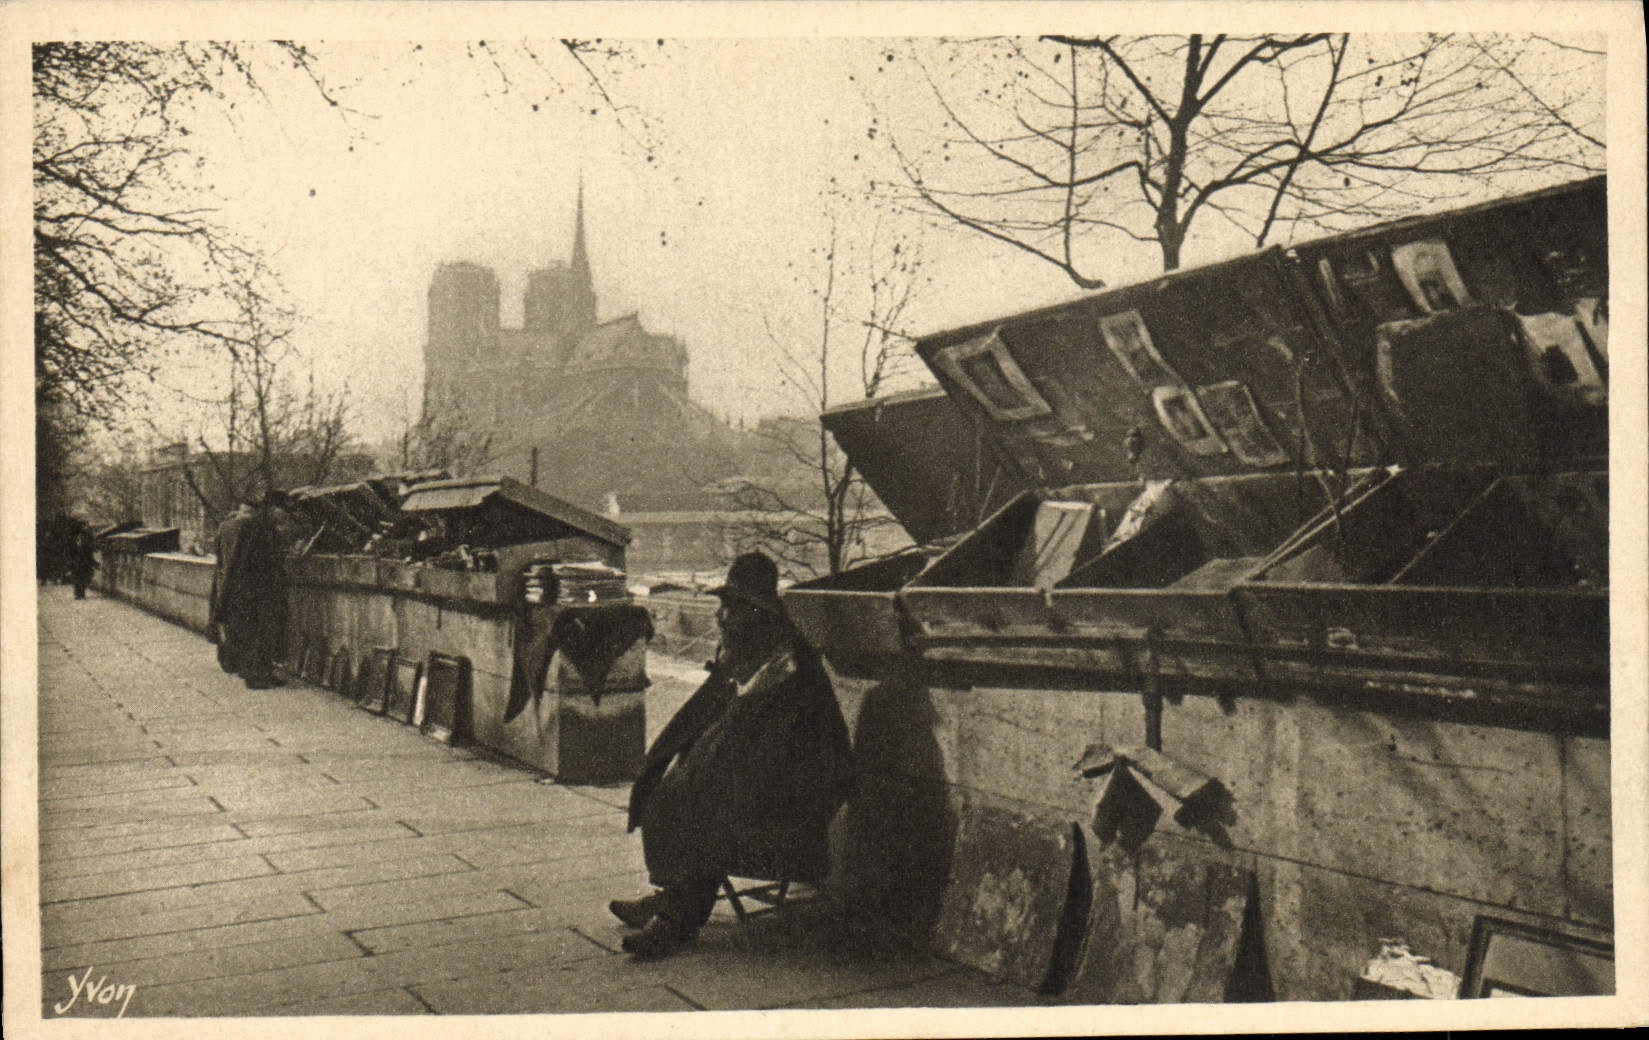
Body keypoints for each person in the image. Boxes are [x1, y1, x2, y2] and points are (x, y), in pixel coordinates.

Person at [609, 552, 854, 959]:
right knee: (677, 794)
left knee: (699, 805)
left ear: (756, 613)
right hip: (761, 782)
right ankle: (672, 896)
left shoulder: (786, 664)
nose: (720, 618)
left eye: (730, 608)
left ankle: (678, 920)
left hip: (795, 798)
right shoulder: (750, 654)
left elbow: (777, 753)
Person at [210, 490, 288, 690]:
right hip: (254, 590)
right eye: (282, 511)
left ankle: (262, 673)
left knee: (259, 632)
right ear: (272, 508)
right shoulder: (258, 527)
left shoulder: (259, 524)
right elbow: (250, 560)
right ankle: (256, 676)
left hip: (250, 589)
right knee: (258, 633)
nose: (284, 516)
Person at [64, 518, 97, 599]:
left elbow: (90, 550)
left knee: (84, 577)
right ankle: (79, 594)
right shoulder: (73, 537)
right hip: (77, 561)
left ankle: (81, 593)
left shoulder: (87, 537)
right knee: (77, 577)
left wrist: (93, 562)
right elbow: (70, 551)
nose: (86, 527)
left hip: (84, 560)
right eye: (84, 525)